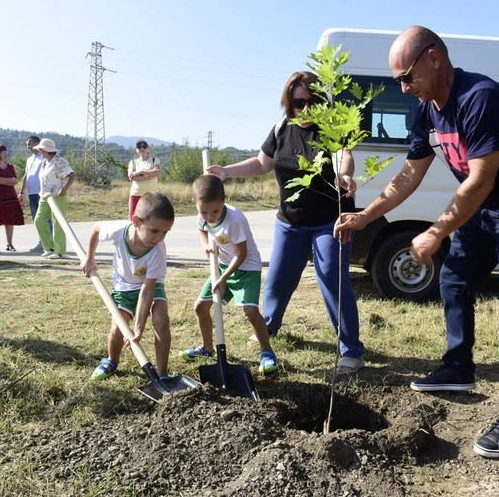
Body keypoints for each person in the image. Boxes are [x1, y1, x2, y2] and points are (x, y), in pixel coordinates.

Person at [334, 26, 499, 459]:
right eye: (398, 80)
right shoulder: (426, 112)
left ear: (434, 58)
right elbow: (409, 174)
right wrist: (365, 215)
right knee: (454, 279)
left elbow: (479, 180)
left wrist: (437, 230)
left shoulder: (480, 98)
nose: (403, 87)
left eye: (407, 76)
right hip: (486, 205)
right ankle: (458, 366)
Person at [207, 71, 364, 374]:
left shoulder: (331, 128)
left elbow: (344, 155)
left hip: (329, 222)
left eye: (310, 101)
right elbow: (261, 163)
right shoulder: (281, 128)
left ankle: (351, 351)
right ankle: (268, 328)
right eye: (297, 102)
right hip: (290, 222)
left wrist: (344, 174)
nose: (304, 108)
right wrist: (227, 171)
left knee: (333, 280)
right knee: (277, 280)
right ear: (288, 102)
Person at [179, 174, 278, 375]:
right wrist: (205, 245)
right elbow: (202, 230)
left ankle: (267, 352)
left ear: (224, 199)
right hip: (222, 265)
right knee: (200, 307)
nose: (210, 216)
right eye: (204, 211)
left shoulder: (235, 220)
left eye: (215, 211)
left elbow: (241, 254)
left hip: (246, 267)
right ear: (195, 204)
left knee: (250, 311)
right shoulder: (203, 215)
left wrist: (223, 279)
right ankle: (207, 348)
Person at [83, 192, 175, 381]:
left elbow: (147, 290)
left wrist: (139, 328)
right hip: (123, 286)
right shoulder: (118, 231)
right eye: (155, 231)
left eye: (165, 233)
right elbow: (96, 229)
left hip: (151, 285)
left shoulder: (157, 251)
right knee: (118, 329)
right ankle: (111, 361)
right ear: (136, 221)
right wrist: (89, 257)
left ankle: (163, 374)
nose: (159, 238)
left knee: (161, 319)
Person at [33, 138, 76, 259]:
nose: (40, 151)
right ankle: (49, 248)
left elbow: (71, 175)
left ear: (47, 150)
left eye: (41, 149)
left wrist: (65, 189)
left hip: (57, 195)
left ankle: (60, 251)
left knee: (58, 222)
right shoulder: (44, 162)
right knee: (39, 220)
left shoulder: (59, 161)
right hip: (44, 195)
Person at [18, 136, 52, 252]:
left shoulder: (44, 157)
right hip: (31, 193)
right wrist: (22, 192)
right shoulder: (29, 159)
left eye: (30, 143)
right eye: (27, 144)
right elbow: (26, 176)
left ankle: (48, 243)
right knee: (36, 219)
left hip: (42, 193)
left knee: (45, 219)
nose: (28, 146)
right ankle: (42, 241)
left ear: (38, 143)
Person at [127, 139, 161, 220]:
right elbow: (132, 177)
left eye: (144, 146)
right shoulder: (133, 162)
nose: (142, 149)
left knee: (152, 218)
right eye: (139, 147)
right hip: (136, 194)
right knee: (133, 218)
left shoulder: (154, 160)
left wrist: (140, 172)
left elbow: (156, 172)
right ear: (136, 149)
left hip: (151, 195)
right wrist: (150, 175)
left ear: (148, 148)